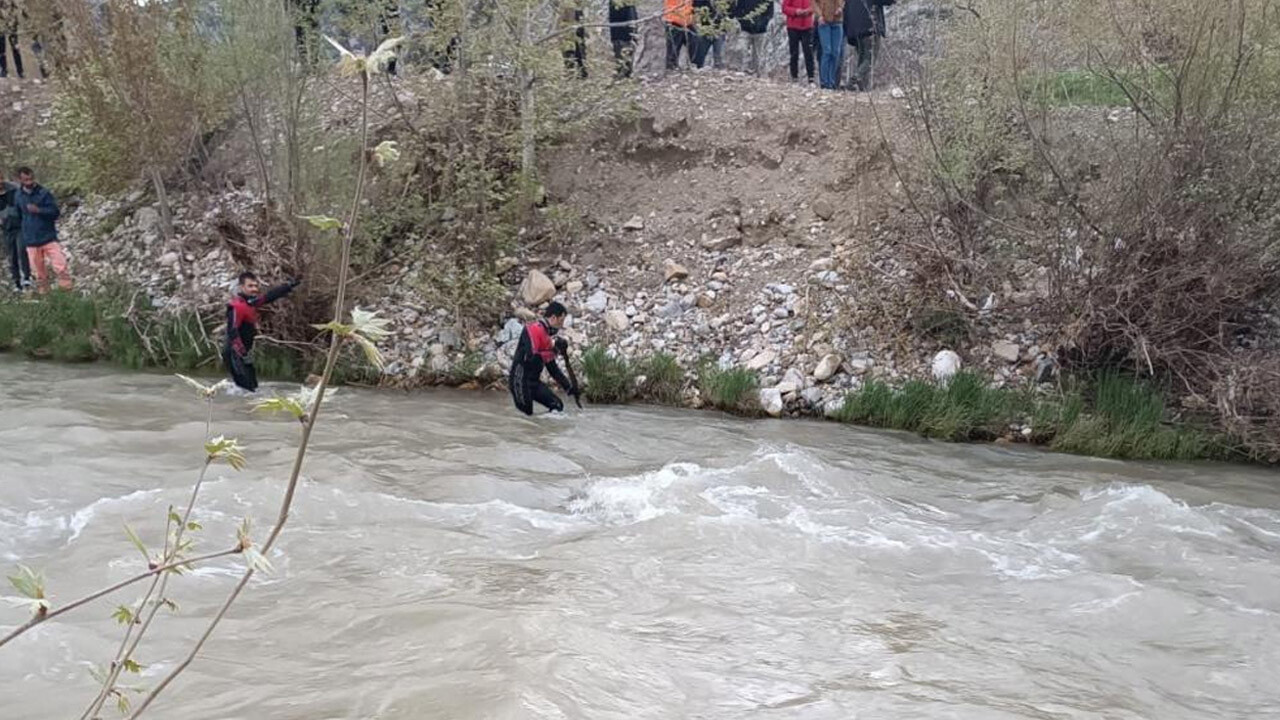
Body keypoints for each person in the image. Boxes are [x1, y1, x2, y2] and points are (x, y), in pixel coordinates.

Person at [223, 272, 300, 392]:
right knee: (247, 390)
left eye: (255, 286)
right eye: (250, 286)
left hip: (244, 354)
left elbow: (269, 297)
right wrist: (242, 354)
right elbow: (232, 331)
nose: (254, 289)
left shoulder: (251, 303)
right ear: (242, 287)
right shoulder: (236, 306)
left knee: (253, 388)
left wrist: (288, 286)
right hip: (235, 354)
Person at [509, 301, 579, 415]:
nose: (561, 326)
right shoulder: (533, 329)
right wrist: (553, 349)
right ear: (553, 318)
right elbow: (532, 356)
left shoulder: (547, 337)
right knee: (527, 417)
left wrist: (569, 388)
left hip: (533, 382)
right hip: (520, 381)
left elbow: (553, 369)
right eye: (561, 321)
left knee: (557, 406)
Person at [16, 167, 69, 293]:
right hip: (31, 240)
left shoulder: (44, 193)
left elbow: (55, 212)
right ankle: (45, 296)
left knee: (60, 266)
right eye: (26, 180)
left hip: (48, 237)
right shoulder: (18, 196)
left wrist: (39, 210)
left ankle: (67, 293)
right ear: (20, 180)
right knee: (38, 272)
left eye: (31, 179)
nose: (29, 182)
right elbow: (18, 216)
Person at [844, 0, 890, 91]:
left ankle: (863, 87)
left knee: (862, 59)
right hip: (870, 27)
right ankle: (855, 79)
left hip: (856, 31)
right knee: (870, 58)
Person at [0, 171, 28, 291]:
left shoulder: (14, 188)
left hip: (20, 225)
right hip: (5, 228)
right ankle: (16, 282)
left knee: (22, 249)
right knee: (12, 255)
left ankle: (26, 278)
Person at [733, 0, 773, 77]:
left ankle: (758, 73)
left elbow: (770, 12)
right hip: (745, 28)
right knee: (742, 48)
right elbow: (738, 10)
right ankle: (744, 70)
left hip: (761, 30)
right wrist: (743, 21)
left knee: (758, 53)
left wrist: (763, 23)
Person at [781, 0, 816, 84]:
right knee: (794, 53)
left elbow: (816, 5)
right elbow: (785, 8)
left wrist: (809, 10)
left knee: (808, 53)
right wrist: (796, 11)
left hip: (807, 26)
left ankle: (811, 78)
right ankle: (794, 77)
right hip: (793, 26)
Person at [815, 0, 844, 89]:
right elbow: (813, 2)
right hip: (824, 21)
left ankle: (831, 81)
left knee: (836, 52)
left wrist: (840, 7)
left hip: (837, 21)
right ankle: (824, 82)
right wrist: (819, 15)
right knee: (827, 51)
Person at [608, 0, 638, 79]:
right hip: (618, 25)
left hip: (626, 26)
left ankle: (626, 70)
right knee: (619, 39)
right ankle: (622, 69)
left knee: (626, 40)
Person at [664, 0, 696, 72]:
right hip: (673, 21)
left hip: (687, 22)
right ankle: (671, 69)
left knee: (694, 42)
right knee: (673, 47)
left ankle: (692, 65)